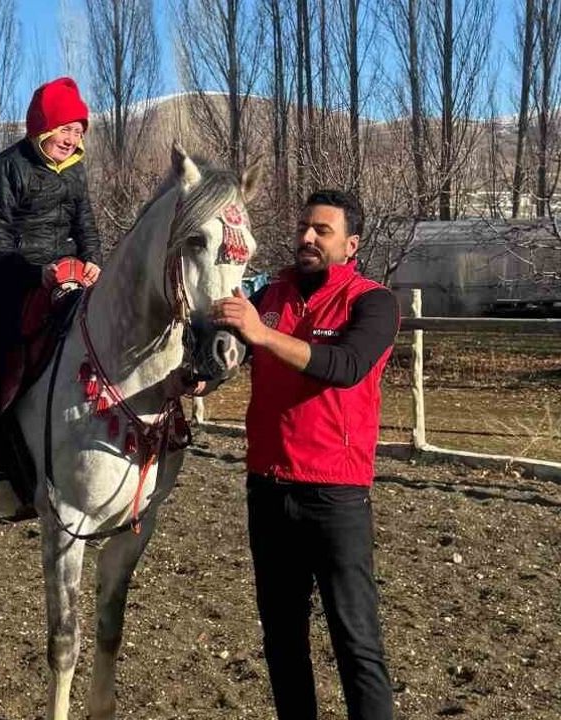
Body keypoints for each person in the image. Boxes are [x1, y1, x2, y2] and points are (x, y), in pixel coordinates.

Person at [213, 189, 400, 720]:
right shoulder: (270, 293)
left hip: (334, 493)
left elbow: (344, 366)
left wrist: (262, 333)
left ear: (351, 243)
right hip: (268, 486)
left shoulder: (372, 302)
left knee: (355, 640)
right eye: (303, 227)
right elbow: (226, 356)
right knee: (281, 637)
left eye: (322, 230)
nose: (308, 238)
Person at [0, 76, 103, 483]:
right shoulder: (7, 167)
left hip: (59, 273)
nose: (71, 139)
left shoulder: (75, 171)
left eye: (77, 131)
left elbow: (84, 221)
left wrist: (92, 258)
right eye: (65, 129)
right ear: (43, 129)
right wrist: (35, 272)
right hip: (3, 274)